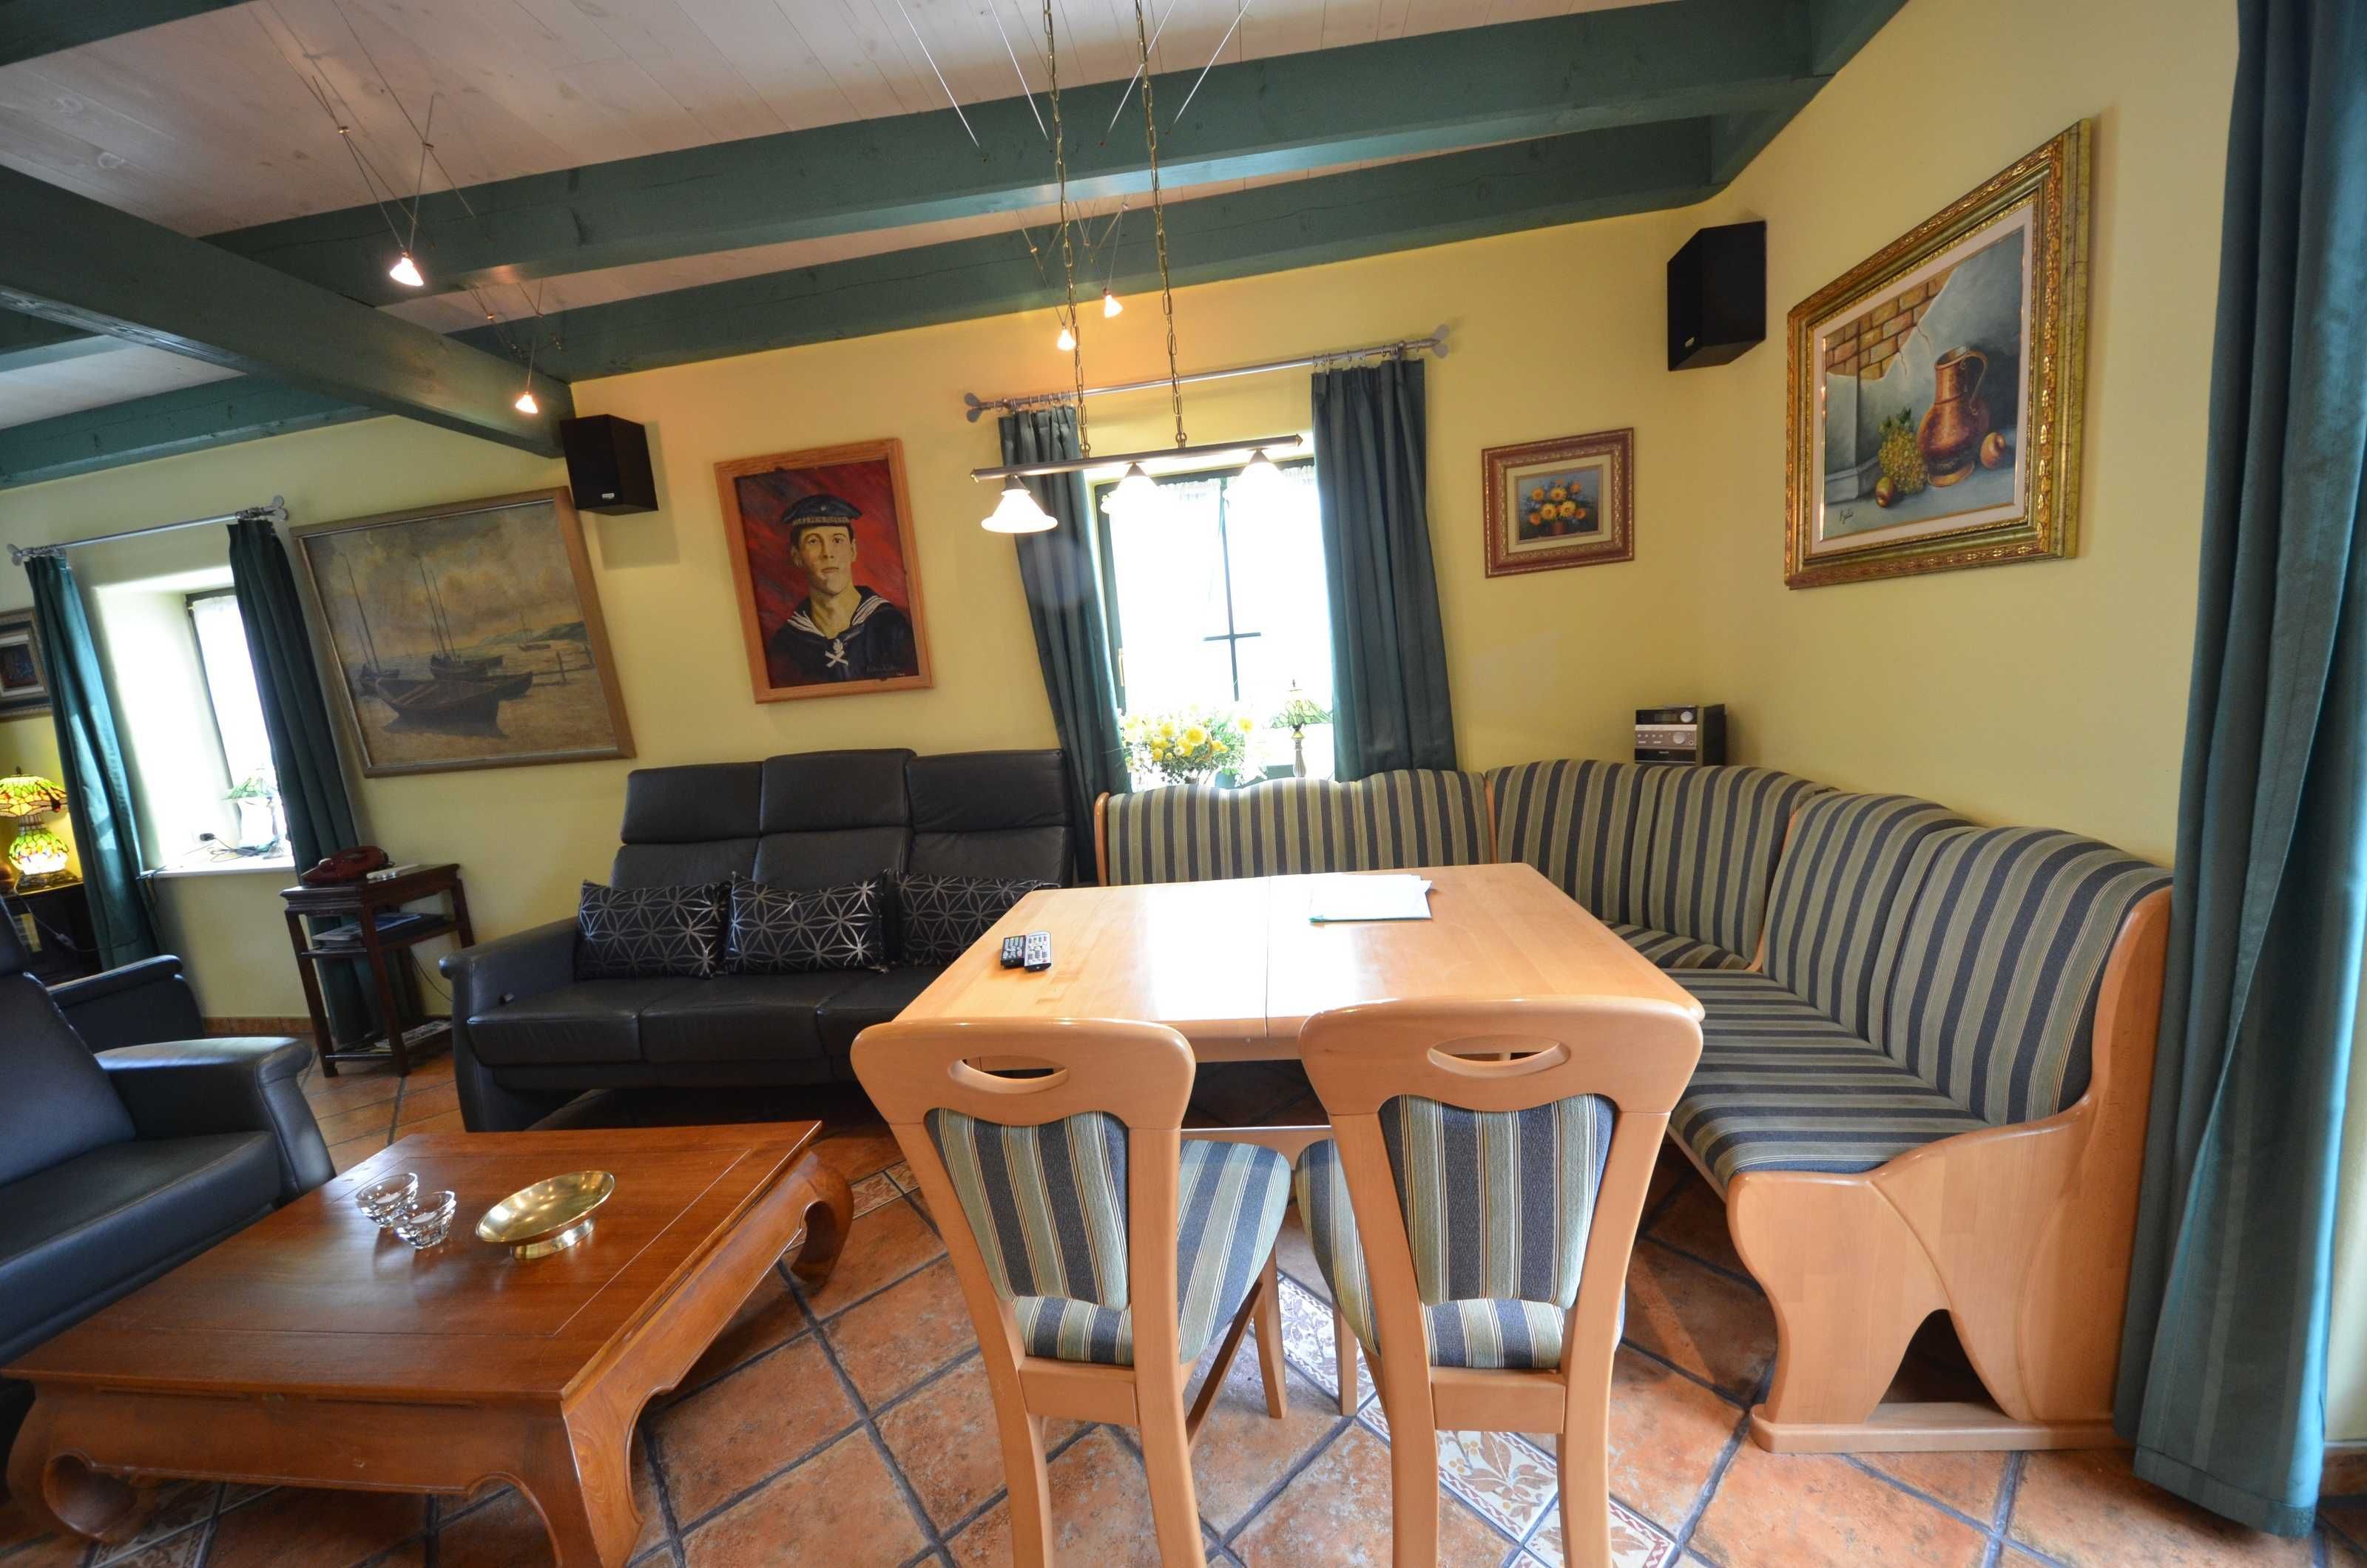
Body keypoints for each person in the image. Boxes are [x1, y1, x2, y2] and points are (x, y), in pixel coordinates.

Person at [764, 493, 919, 684]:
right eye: (813, 541)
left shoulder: (893, 627)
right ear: (797, 557)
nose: (827, 553)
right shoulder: (785, 645)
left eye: (837, 540)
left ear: (853, 550)